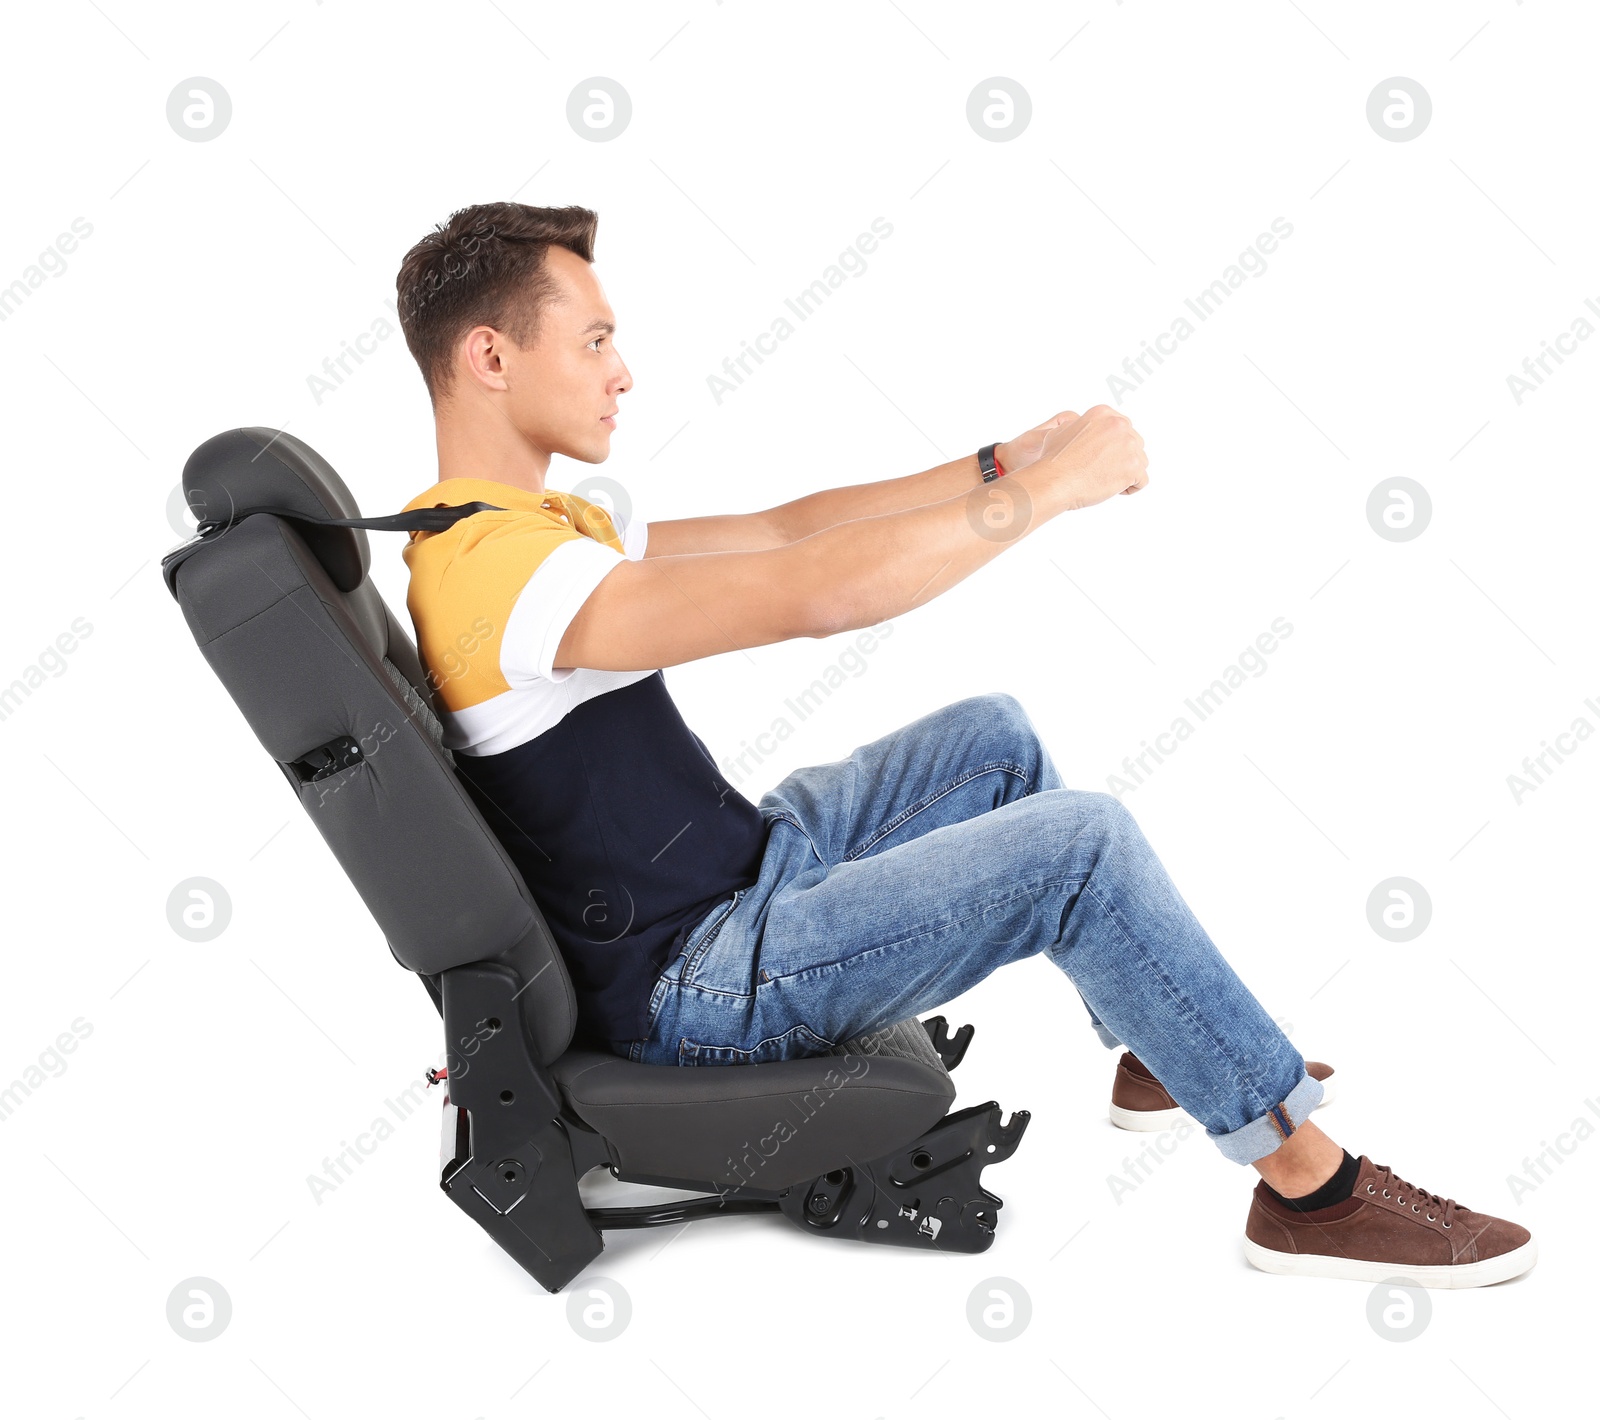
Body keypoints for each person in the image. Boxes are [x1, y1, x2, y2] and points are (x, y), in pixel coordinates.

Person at [392, 201, 1536, 1289]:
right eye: (593, 340)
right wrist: (1046, 496)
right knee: (1078, 846)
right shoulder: (512, 576)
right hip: (703, 975)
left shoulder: (516, 530)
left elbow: (789, 527)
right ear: (491, 357)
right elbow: (814, 590)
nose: (623, 371)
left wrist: (1000, 462)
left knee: (993, 741)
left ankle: (1158, 1041)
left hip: (730, 872)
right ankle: (1308, 1193)